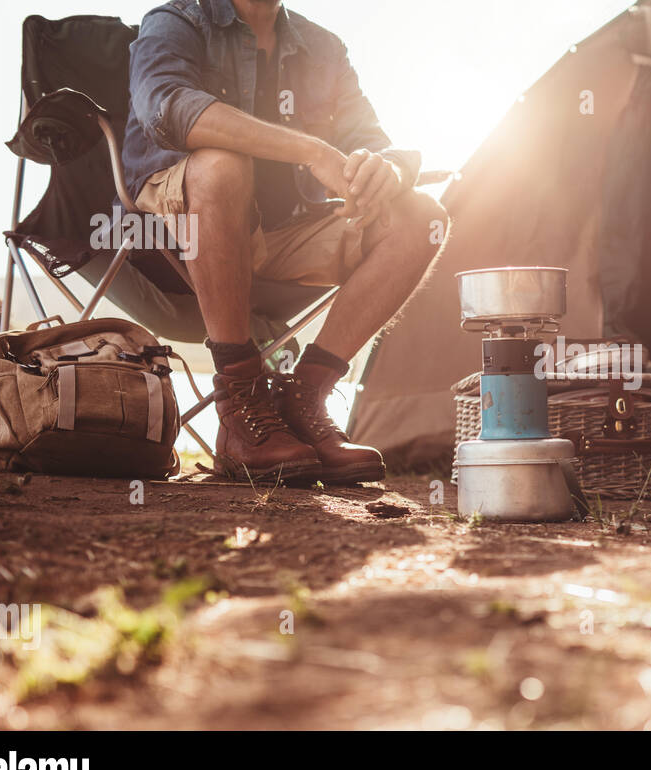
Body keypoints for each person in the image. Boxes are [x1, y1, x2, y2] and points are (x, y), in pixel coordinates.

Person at [124, 0, 448, 484]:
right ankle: (239, 405)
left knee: (422, 216)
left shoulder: (323, 47)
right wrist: (311, 150)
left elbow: (371, 140)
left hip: (288, 231)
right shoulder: (177, 20)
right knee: (221, 166)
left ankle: (304, 400)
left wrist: (389, 171)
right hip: (174, 233)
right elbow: (169, 109)